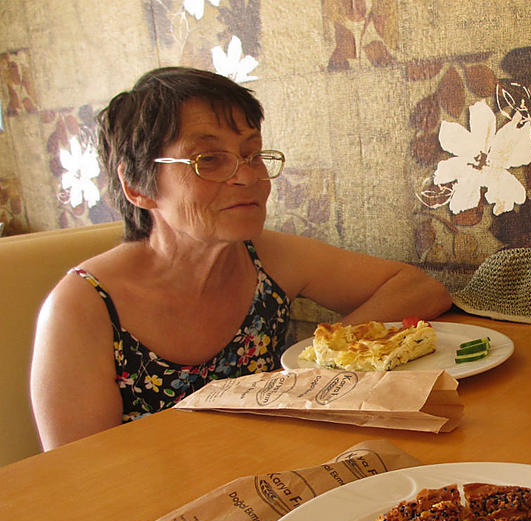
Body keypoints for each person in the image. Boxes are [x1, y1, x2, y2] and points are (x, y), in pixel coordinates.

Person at [30, 66, 452, 451]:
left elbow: (420, 289)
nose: (248, 176)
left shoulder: (266, 260)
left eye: (252, 154)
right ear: (138, 186)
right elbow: (79, 478)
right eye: (208, 160)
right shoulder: (84, 307)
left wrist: (328, 355)